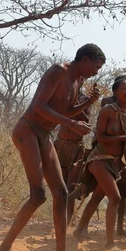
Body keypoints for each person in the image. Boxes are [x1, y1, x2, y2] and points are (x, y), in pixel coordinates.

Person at [0, 43, 104, 251]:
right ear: (84, 59)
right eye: (96, 66)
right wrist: (71, 123)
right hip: (28, 130)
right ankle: (2, 250)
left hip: (44, 135)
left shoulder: (78, 81)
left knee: (61, 194)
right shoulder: (57, 72)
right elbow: (39, 107)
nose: (96, 71)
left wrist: (88, 103)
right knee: (38, 195)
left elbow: (63, 111)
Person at [71, 75, 126, 239]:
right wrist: (124, 139)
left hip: (115, 163)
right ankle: (109, 241)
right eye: (124, 89)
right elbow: (99, 137)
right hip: (99, 159)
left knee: (97, 197)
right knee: (115, 198)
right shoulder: (107, 111)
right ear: (115, 92)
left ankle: (79, 230)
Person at [54, 78, 92, 225]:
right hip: (60, 143)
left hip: (76, 146)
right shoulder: (63, 96)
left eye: (81, 79)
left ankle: (69, 221)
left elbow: (86, 121)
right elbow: (61, 115)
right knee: (60, 185)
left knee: (71, 186)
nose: (78, 81)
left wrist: (78, 104)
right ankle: (58, 220)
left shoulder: (86, 99)